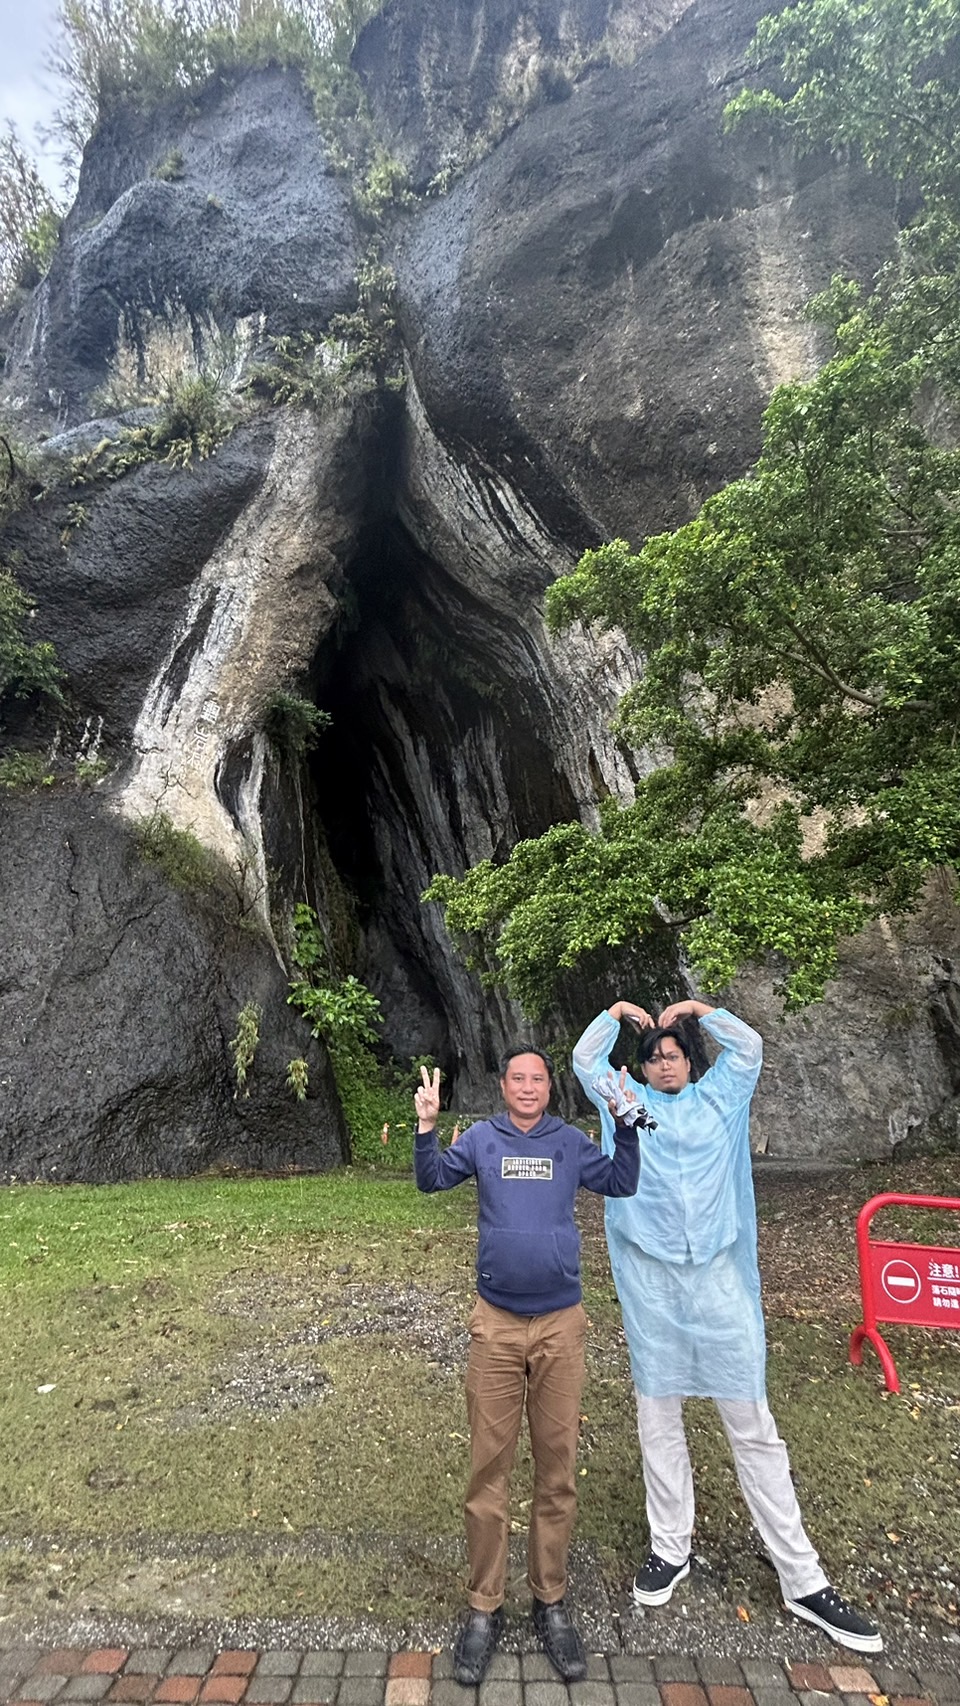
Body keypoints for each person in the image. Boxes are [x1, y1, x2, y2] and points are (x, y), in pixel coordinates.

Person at [572, 997, 883, 1656]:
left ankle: (802, 1577)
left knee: (752, 1425)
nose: (664, 1065)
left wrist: (699, 1009)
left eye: (674, 1054)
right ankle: (669, 1547)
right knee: (659, 1418)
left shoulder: (721, 1100)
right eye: (655, 1058)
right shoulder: (627, 1104)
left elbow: (750, 1049)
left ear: (691, 1060)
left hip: (720, 1284)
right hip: (653, 1287)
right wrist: (616, 1013)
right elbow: (584, 1060)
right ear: (642, 1069)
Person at [413, 1049, 642, 1685]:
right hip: (496, 1324)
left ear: (549, 1088)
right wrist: (427, 1127)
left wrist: (626, 1127)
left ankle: (550, 1599)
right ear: (503, 1085)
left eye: (538, 1078)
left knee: (556, 1468)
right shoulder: (482, 1140)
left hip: (560, 1326)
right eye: (518, 1077)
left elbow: (621, 1182)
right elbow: (432, 1180)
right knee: (488, 1469)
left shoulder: (569, 1143)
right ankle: (484, 1606)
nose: (528, 1086)